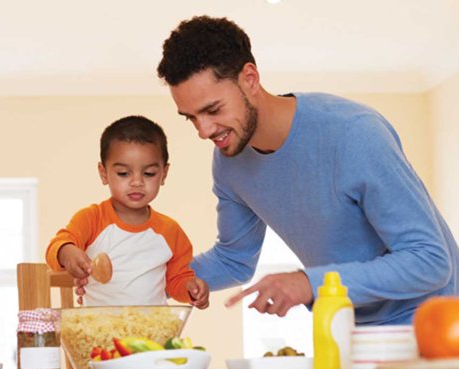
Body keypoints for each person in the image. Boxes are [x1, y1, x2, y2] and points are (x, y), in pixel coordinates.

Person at [156, 16, 458, 325]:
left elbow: (430, 260)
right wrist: (150, 277)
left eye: (213, 109)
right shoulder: (229, 162)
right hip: (352, 328)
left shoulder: (354, 134)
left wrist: (308, 283)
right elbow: (234, 260)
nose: (203, 131)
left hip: (435, 323)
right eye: (190, 117)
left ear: (249, 79)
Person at [46, 115, 209, 309]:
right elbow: (56, 246)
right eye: (123, 173)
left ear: (164, 174)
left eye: (149, 173)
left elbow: (177, 280)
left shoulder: (170, 231)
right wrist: (67, 252)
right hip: (100, 333)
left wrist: (191, 289)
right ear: (103, 173)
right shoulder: (92, 218)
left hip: (153, 334)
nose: (137, 182)